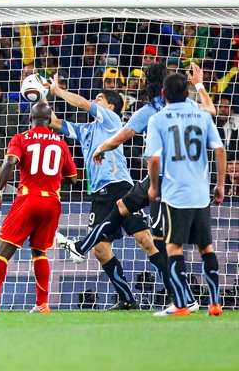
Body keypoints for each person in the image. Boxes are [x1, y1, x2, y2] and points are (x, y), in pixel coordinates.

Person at [58, 62, 216, 314]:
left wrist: (102, 148)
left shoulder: (148, 110)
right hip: (189, 180)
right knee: (153, 235)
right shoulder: (188, 106)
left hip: (156, 178)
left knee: (152, 238)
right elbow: (211, 110)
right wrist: (199, 84)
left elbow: (123, 135)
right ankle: (182, 299)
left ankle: (184, 299)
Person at [49, 75, 171, 310]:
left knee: (145, 240)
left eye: (100, 98)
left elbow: (84, 104)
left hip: (119, 186)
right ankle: (127, 299)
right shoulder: (85, 130)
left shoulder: (111, 120)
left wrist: (59, 91)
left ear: (111, 106)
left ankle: (176, 290)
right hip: (98, 194)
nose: (95, 100)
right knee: (101, 250)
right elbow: (54, 122)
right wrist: (40, 92)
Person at [0, 102, 77, 314]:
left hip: (28, 198)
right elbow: (73, 178)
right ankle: (42, 304)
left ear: (30, 119)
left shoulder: (21, 138)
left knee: (3, 250)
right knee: (39, 252)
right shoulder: (60, 143)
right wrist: (50, 179)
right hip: (52, 202)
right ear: (50, 121)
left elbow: (10, 162)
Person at [144, 72, 226, 317]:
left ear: (162, 94)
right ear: (187, 93)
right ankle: (214, 303)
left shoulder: (158, 120)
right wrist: (220, 184)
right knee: (206, 247)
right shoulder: (202, 117)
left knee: (173, 248)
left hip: (175, 193)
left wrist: (154, 187)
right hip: (201, 192)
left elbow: (155, 158)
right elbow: (220, 150)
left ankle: (181, 305)